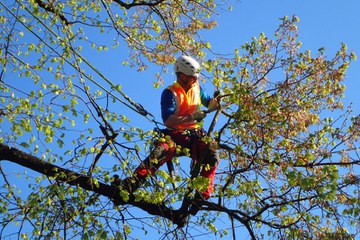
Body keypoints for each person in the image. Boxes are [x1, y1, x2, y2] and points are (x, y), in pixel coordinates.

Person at [118, 55, 220, 205]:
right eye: (192, 77)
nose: (195, 80)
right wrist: (193, 117)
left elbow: (208, 101)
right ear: (181, 75)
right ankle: (131, 184)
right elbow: (169, 120)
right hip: (174, 135)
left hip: (195, 137)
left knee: (212, 156)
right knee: (160, 152)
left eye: (196, 77)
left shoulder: (197, 88)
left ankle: (200, 196)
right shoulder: (170, 92)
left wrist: (214, 102)